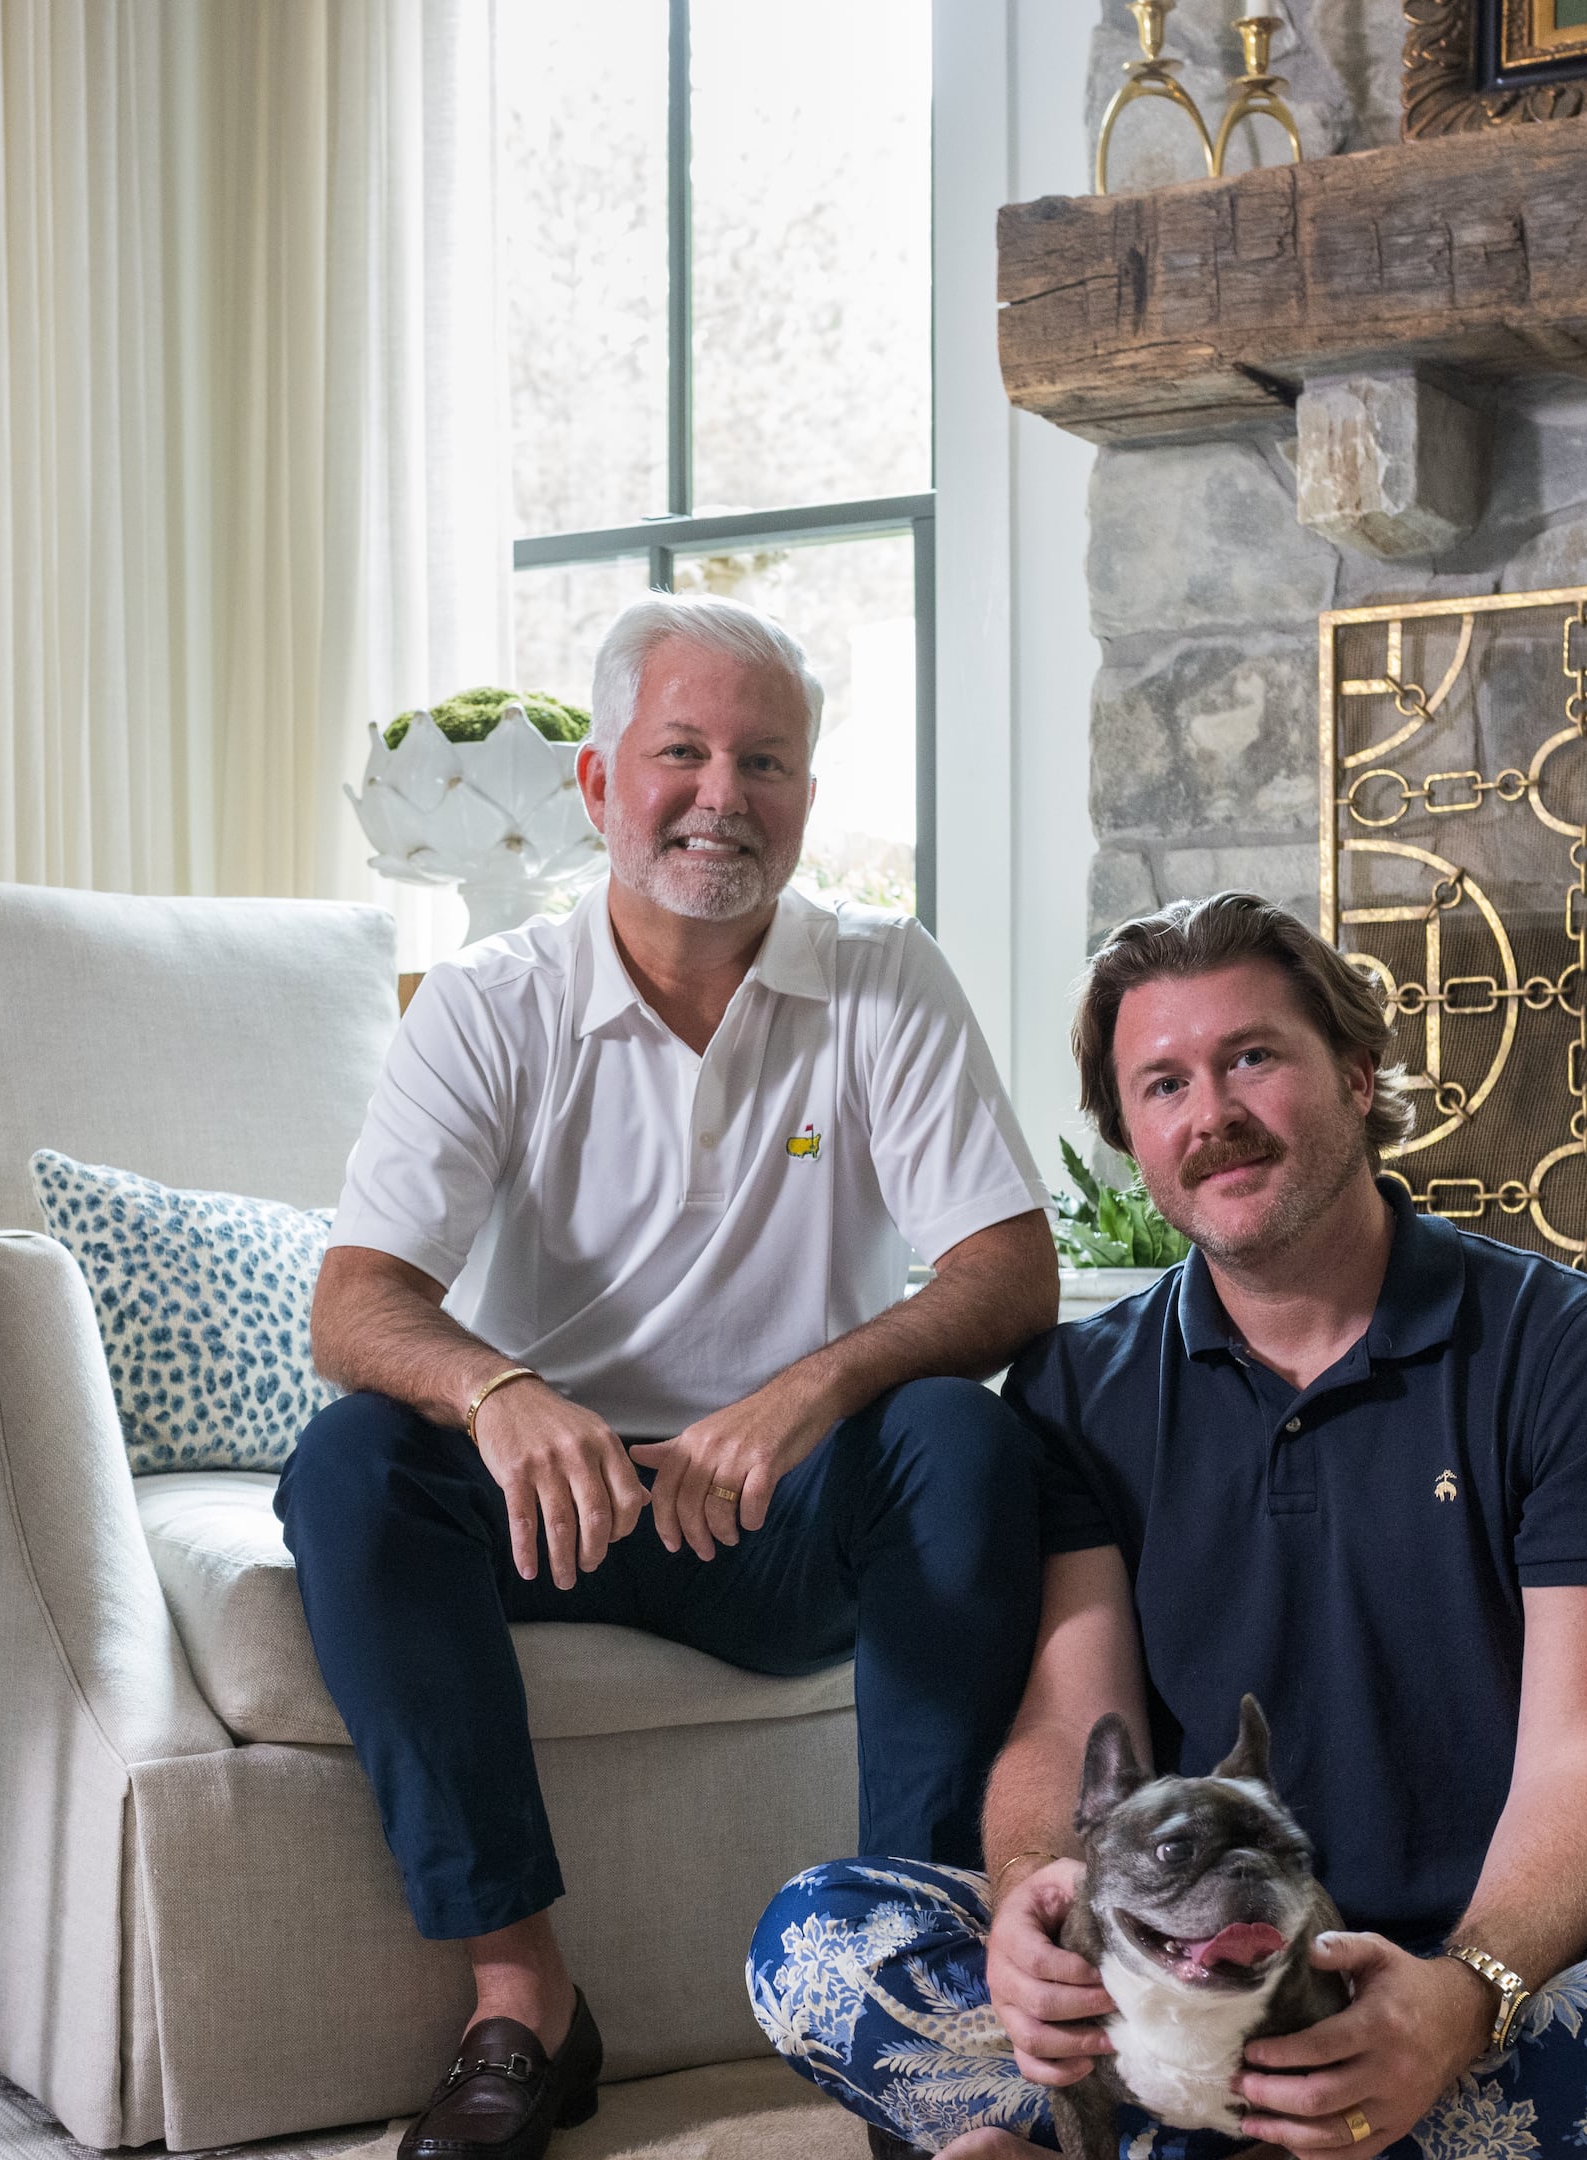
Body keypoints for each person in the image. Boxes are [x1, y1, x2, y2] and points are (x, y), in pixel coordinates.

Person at [748, 892, 1587, 2160]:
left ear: (1360, 1077)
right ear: (1129, 1136)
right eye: (1162, 1085)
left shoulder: (1578, 1355)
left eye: (1252, 1056)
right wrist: (1040, 1904)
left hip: (1469, 1991)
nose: (1213, 1116)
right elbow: (1069, 1729)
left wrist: (1464, 1999)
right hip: (1168, 1998)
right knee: (813, 1938)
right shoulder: (1075, 1390)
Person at [283, 593, 1063, 2160]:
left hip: (782, 1507)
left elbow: (1007, 1275)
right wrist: (502, 1396)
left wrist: (808, 1391)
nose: (725, 796)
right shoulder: (493, 1006)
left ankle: (904, 1981)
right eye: (684, 752)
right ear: (598, 786)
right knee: (350, 1466)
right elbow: (359, 1304)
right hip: (548, 1505)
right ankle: (524, 2007)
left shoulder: (882, 980)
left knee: (960, 1445)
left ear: (809, 800)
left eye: (764, 762)